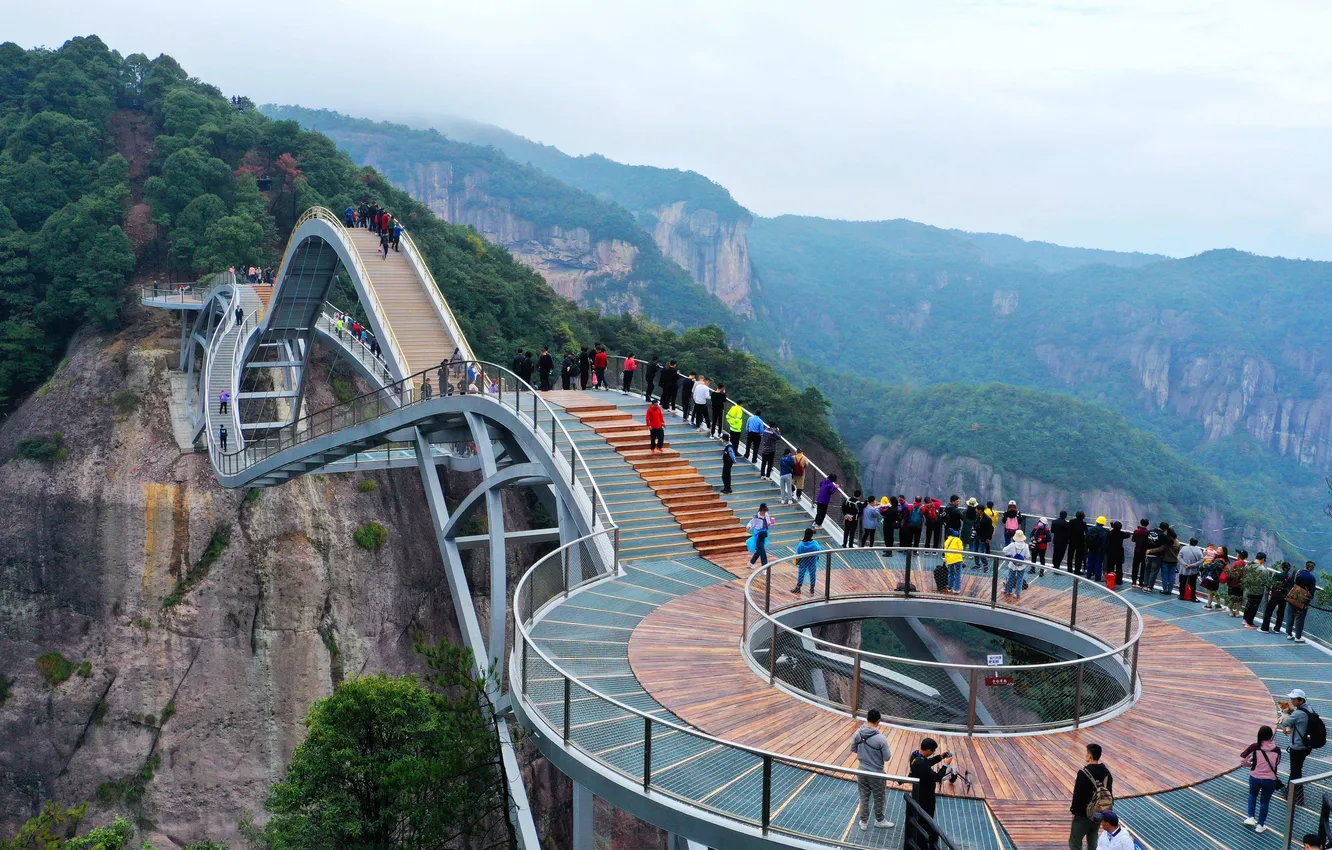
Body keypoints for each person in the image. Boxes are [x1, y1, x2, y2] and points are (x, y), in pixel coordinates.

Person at [851, 709, 893, 831]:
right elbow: (887, 757)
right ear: (878, 721)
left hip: (862, 770)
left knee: (864, 796)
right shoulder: (881, 739)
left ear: (867, 719)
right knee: (879, 797)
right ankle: (879, 820)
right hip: (877, 773)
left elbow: (853, 749)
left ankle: (863, 821)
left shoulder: (858, 734)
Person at [1070, 743, 1113, 850]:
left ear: (1089, 755)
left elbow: (1078, 796)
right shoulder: (1107, 773)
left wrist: (1074, 812)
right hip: (1099, 813)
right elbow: (1109, 793)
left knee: (1074, 842)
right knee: (1093, 840)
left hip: (1083, 815)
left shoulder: (1083, 773)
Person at [1279, 687, 1318, 804]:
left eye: (1293, 699)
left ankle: (1298, 797)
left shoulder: (1298, 713)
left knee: (1296, 771)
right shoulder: (1309, 709)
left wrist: (1283, 718)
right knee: (1296, 769)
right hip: (1306, 745)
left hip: (1298, 747)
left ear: (1300, 700)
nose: (1291, 701)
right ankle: (1290, 791)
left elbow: (1284, 723)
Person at [1240, 725, 1282, 832]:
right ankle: (1260, 825)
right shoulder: (1277, 750)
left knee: (1252, 795)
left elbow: (1243, 759)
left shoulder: (1255, 746)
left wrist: (1250, 764)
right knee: (1265, 802)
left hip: (1255, 777)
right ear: (1271, 736)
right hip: (1270, 780)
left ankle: (1250, 817)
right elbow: (1277, 763)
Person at [908, 737, 951, 822]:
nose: (933, 753)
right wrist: (945, 765)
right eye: (933, 751)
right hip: (925, 793)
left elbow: (928, 761)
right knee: (927, 813)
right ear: (928, 750)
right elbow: (937, 777)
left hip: (918, 788)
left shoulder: (915, 754)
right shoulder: (921, 763)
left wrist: (941, 756)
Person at [1286, 561, 1318, 642]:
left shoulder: (1297, 572)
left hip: (1292, 596)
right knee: (1300, 618)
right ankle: (1298, 637)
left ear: (1305, 565)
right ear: (1312, 569)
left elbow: (1291, 583)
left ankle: (1289, 634)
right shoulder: (1312, 578)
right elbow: (1311, 592)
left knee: (1290, 615)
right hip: (1302, 600)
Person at [1262, 561, 1293, 632]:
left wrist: (1271, 593)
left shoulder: (1277, 575)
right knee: (1280, 612)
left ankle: (1265, 628)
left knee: (1268, 611)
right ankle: (1277, 628)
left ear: (1282, 568)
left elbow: (1272, 584)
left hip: (1276, 595)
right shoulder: (1290, 577)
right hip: (1284, 596)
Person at [1243, 552, 1271, 627]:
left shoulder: (1247, 565)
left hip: (1248, 589)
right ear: (1263, 559)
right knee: (1254, 607)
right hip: (1257, 592)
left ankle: (1245, 619)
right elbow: (1265, 581)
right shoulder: (1262, 569)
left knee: (1248, 604)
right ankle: (1249, 623)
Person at [793, 528, 822, 594]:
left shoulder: (801, 544)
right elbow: (819, 550)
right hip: (812, 561)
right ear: (811, 535)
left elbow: (798, 553)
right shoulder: (815, 543)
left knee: (801, 573)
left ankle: (798, 587)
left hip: (803, 562)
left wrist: (797, 561)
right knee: (812, 574)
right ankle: (812, 588)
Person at [1002, 530, 1029, 600]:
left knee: (1010, 577)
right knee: (1020, 579)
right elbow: (1028, 556)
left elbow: (1004, 550)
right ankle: (1017, 593)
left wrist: (1010, 556)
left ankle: (1008, 590)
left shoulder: (1012, 545)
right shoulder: (1026, 546)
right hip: (1022, 565)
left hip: (1013, 564)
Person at [1141, 523, 1168, 592]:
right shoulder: (1163, 535)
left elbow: (1144, 541)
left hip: (1147, 555)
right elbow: (1167, 543)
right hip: (1156, 556)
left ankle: (1145, 586)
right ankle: (1150, 587)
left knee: (1147, 571)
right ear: (1165, 529)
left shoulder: (1149, 531)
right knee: (1154, 572)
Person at [1176, 537, 1204, 601]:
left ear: (1189, 542)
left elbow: (1179, 557)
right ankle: (1193, 597)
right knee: (1193, 584)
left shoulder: (1184, 548)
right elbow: (1201, 560)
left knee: (1182, 583)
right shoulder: (1198, 550)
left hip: (1184, 569)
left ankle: (1181, 596)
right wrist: (1193, 565)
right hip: (1193, 570)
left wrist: (1184, 564)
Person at [1201, 545, 1228, 610]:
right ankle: (1210, 605)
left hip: (1214, 577)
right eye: (1217, 549)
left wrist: (1205, 565)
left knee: (1213, 591)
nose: (1217, 551)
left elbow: (1212, 567)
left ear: (1223, 553)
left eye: (1220, 550)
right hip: (1214, 577)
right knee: (1211, 591)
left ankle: (1217, 605)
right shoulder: (1220, 559)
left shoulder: (1220, 560)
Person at [1226, 550, 1249, 615]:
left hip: (1233, 584)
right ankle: (1237, 612)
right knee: (1239, 599)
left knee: (1232, 598)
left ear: (1239, 555)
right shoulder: (1246, 564)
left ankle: (1230, 611)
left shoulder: (1236, 563)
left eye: (1237, 554)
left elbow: (1231, 574)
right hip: (1241, 585)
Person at [971, 505, 994, 570]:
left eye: (977, 509)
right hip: (977, 536)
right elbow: (974, 524)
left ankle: (985, 565)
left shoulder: (987, 519)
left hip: (983, 537)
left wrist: (989, 538)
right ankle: (977, 564)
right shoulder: (977, 516)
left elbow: (990, 529)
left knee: (981, 552)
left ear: (980, 510)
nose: (976, 510)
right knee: (975, 551)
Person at [1129, 519, 1150, 588]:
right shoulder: (1148, 532)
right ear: (1147, 524)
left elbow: (1133, 540)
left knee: (1135, 567)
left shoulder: (1136, 531)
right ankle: (1141, 583)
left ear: (1140, 523)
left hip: (1137, 551)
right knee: (1143, 567)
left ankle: (1134, 582)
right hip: (1145, 552)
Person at [1086, 517, 1108, 582]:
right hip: (1099, 550)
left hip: (1091, 549)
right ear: (1103, 524)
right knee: (1098, 564)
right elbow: (1104, 543)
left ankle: (1088, 575)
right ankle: (1097, 578)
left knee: (1090, 562)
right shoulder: (1104, 532)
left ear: (1096, 522)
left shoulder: (1090, 529)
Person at [944, 527, 965, 593]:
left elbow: (945, 552)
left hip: (950, 560)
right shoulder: (957, 539)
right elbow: (961, 549)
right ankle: (956, 589)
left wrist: (946, 561)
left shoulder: (946, 541)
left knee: (951, 573)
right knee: (958, 574)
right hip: (958, 559)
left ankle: (949, 587)